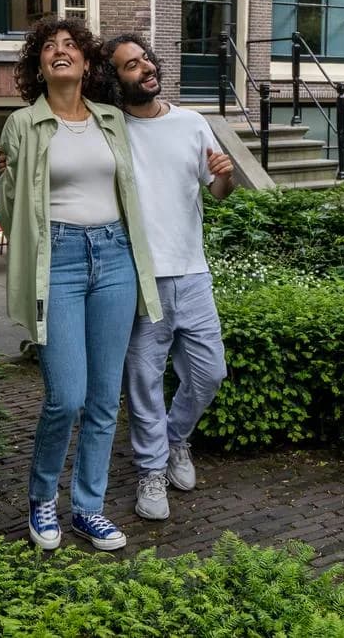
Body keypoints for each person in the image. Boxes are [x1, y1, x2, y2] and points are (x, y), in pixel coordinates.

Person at [0, 16, 160, 552]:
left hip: (114, 257)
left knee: (102, 398)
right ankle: (42, 497)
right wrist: (7, 175)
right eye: (49, 47)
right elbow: (10, 211)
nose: (60, 52)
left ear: (87, 63)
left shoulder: (112, 119)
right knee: (64, 398)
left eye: (71, 46)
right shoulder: (22, 125)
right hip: (59, 260)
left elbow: (146, 165)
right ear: (39, 66)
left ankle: (88, 508)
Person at [100, 34, 235, 522]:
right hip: (140, 278)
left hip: (193, 273)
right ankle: (151, 469)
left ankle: (176, 439)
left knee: (209, 373)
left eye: (146, 59)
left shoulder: (192, 122)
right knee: (143, 381)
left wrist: (225, 172)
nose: (145, 68)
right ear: (115, 80)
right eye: (131, 65)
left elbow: (218, 191)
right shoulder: (110, 130)